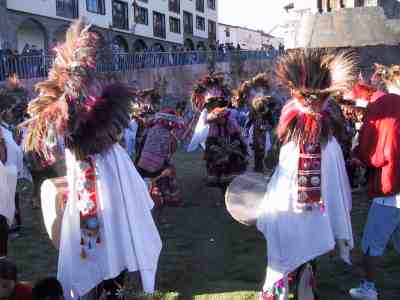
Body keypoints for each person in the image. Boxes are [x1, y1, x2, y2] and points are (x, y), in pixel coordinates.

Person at [23, 19, 162, 300]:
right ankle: (105, 287)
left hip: (104, 173)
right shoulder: (67, 112)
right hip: (89, 178)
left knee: (115, 236)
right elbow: (53, 134)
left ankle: (111, 288)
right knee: (95, 243)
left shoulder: (103, 127)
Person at [257, 49, 355, 300]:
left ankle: (301, 283)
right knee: (302, 254)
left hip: (295, 215)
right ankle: (304, 283)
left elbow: (334, 187)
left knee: (293, 253)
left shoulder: (318, 145)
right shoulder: (326, 145)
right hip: (300, 214)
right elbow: (338, 190)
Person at [345, 82, 400, 300]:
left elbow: (374, 153)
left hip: (390, 188)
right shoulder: (391, 103)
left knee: (371, 244)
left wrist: (357, 154)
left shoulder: (380, 106)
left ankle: (368, 288)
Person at [136, 108, 184, 208]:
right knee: (170, 169)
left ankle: (153, 191)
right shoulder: (169, 136)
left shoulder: (148, 130)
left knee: (163, 166)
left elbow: (139, 146)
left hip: (140, 167)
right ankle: (171, 198)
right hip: (154, 169)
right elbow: (170, 152)